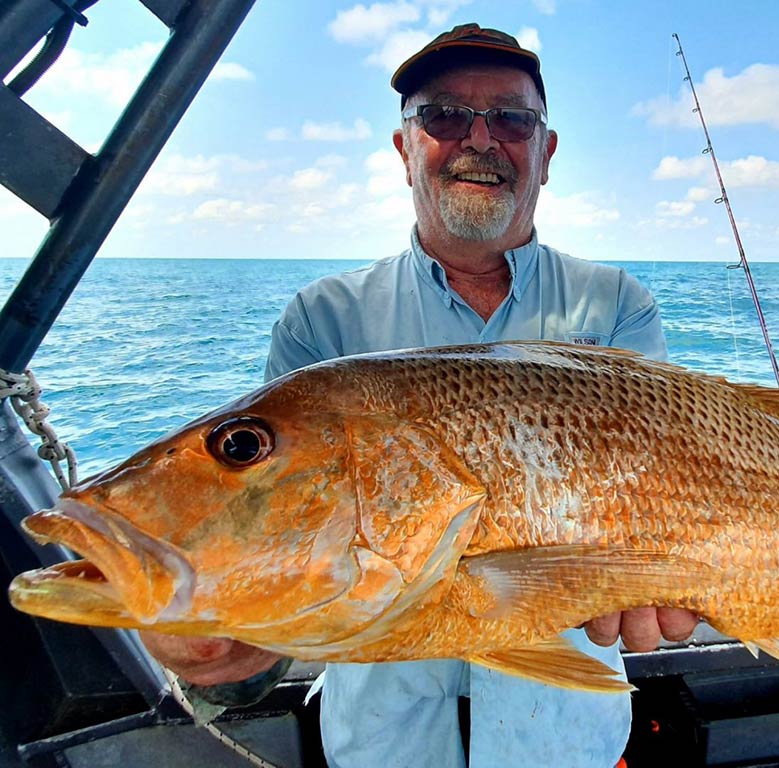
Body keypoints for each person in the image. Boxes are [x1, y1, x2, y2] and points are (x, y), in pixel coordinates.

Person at [142, 24, 698, 767]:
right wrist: (231, 650)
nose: (479, 139)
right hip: (384, 743)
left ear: (546, 152)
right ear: (405, 149)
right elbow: (289, 536)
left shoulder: (616, 304)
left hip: (565, 741)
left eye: (511, 119)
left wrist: (672, 577)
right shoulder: (323, 320)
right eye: (443, 117)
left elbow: (663, 498)